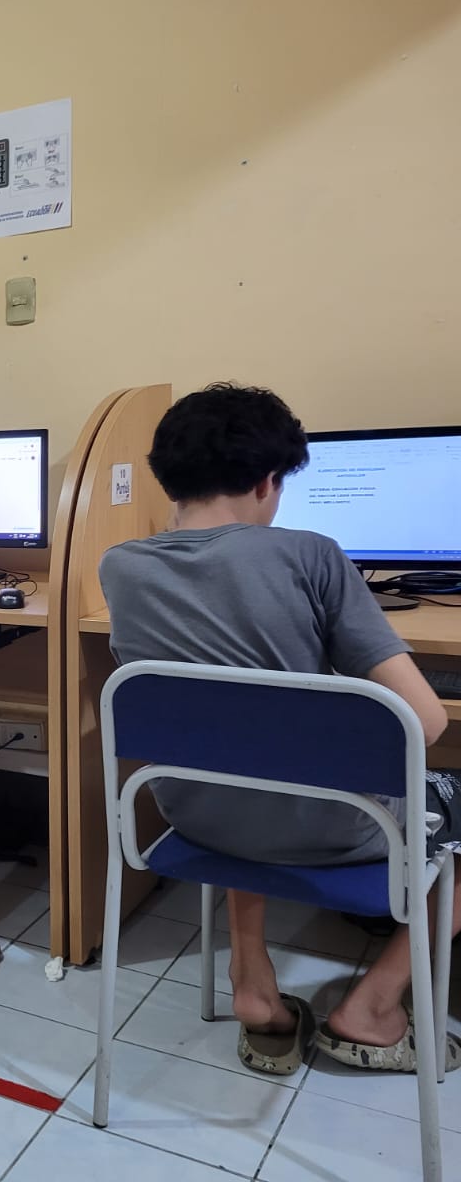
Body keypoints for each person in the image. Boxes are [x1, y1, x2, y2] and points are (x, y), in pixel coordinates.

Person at [100, 382, 461, 1075]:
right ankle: (374, 1007)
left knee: (244, 755)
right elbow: (426, 722)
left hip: (193, 816)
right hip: (332, 829)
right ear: (268, 482)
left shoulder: (119, 567)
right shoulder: (314, 555)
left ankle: (251, 981)